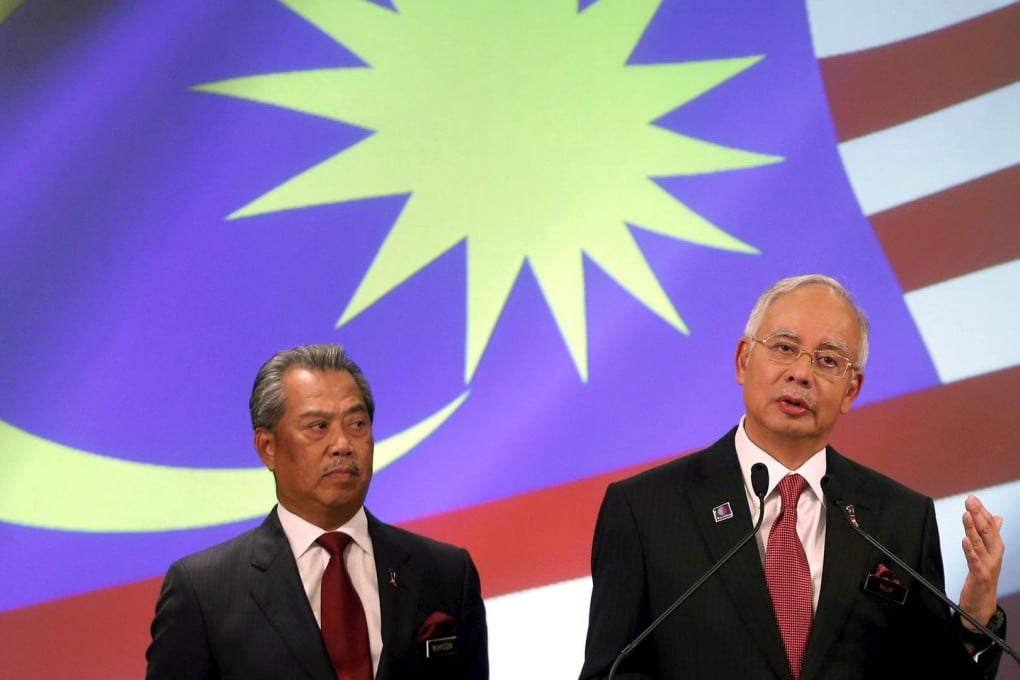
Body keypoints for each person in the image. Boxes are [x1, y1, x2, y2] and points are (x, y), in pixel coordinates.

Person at [579, 275, 1006, 679]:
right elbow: (611, 672)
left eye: (827, 360)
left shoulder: (899, 521)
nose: (801, 373)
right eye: (784, 347)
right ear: (744, 360)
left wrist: (974, 618)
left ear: (851, 390)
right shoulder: (646, 511)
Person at [146, 344, 488, 680]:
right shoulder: (204, 591)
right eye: (318, 427)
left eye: (356, 424)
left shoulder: (446, 573)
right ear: (268, 448)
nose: (342, 444)